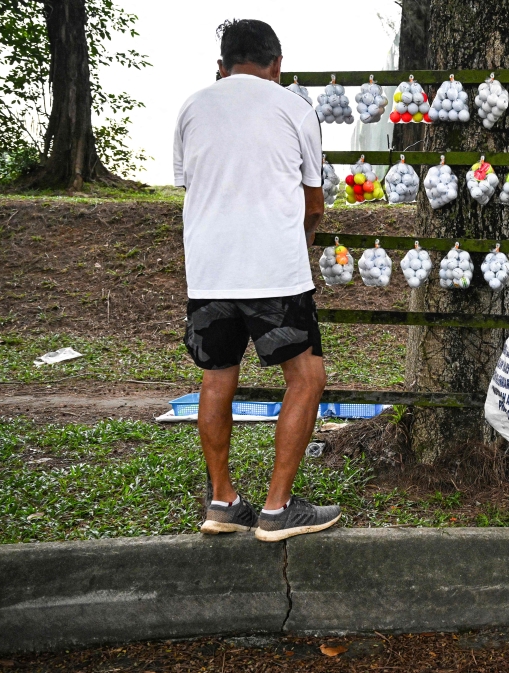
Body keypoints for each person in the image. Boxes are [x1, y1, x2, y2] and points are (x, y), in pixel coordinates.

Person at [173, 19, 340, 543]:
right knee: (306, 378)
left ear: (221, 67)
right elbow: (314, 202)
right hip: (274, 272)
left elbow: (189, 184)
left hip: (209, 274)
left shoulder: (192, 107)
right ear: (278, 66)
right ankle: (277, 507)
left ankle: (222, 501)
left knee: (217, 376)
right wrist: (301, 241)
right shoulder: (294, 108)